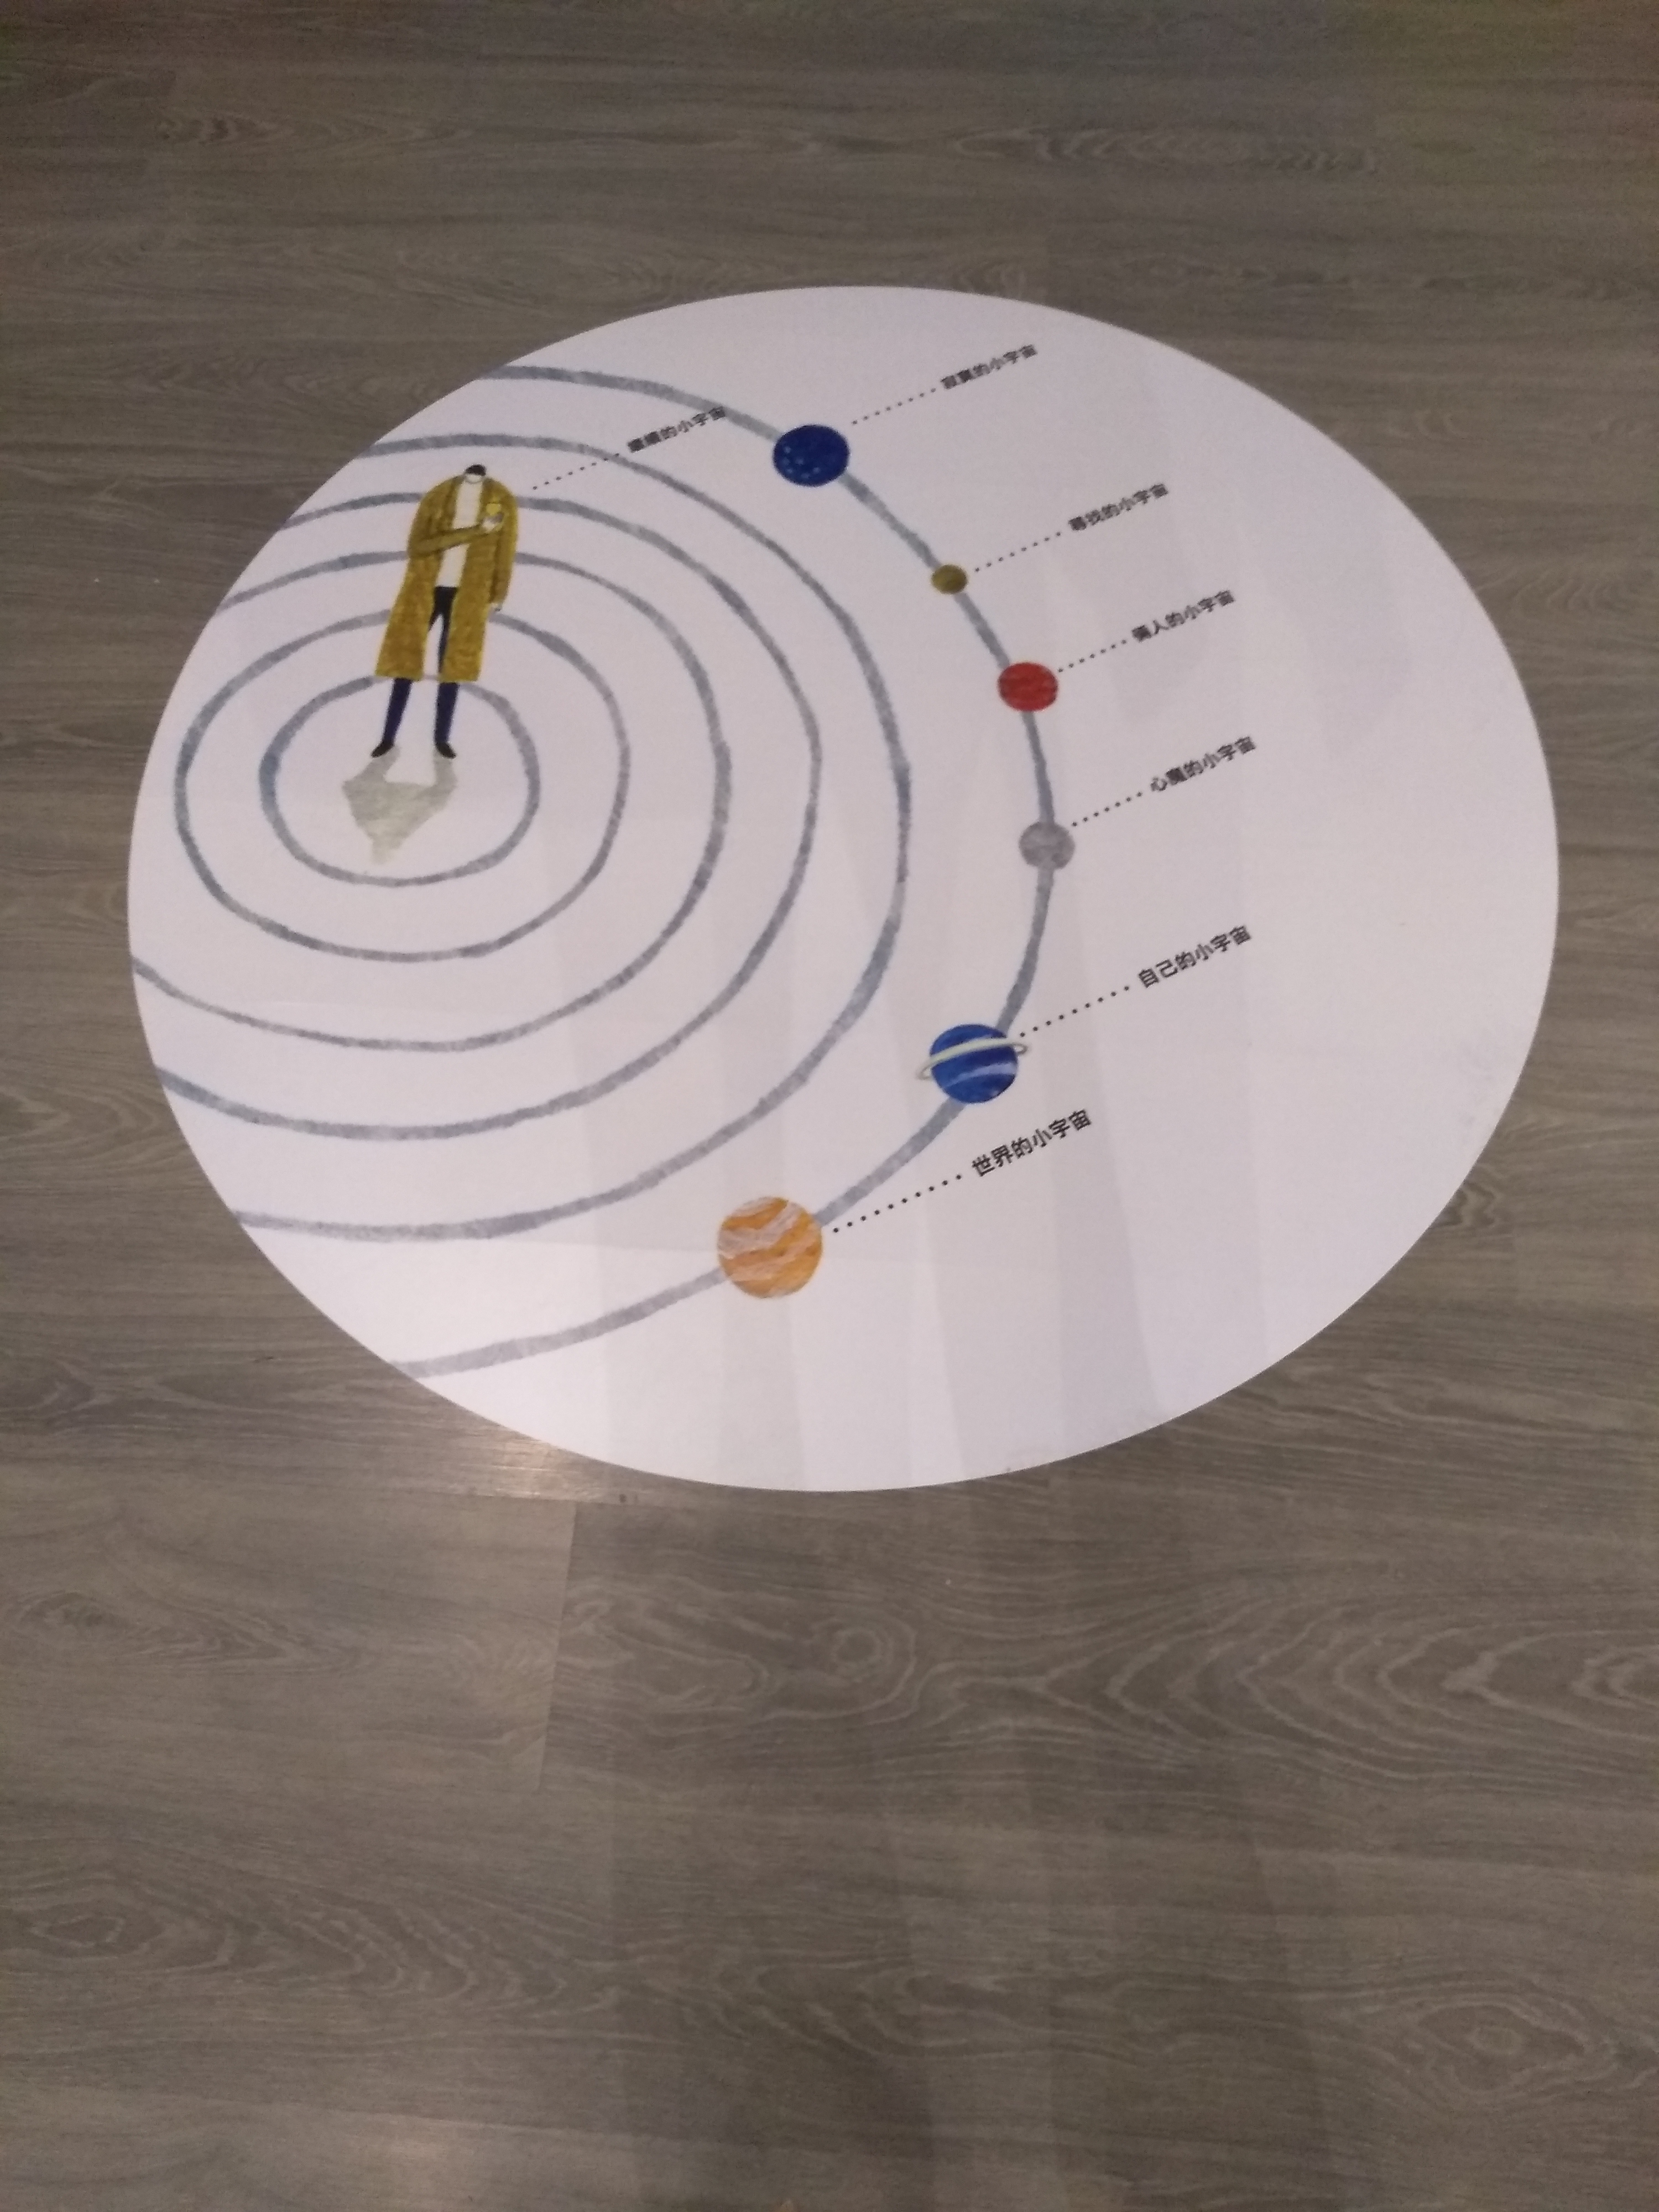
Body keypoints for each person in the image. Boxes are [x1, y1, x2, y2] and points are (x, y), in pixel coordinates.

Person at [372, 462, 518, 757]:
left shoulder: (502, 498)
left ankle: (442, 740)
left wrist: (499, 593)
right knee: (405, 662)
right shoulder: (439, 494)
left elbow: (506, 550)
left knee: (452, 668)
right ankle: (388, 737)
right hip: (424, 590)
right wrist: (476, 531)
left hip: (470, 595)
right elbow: (418, 546)